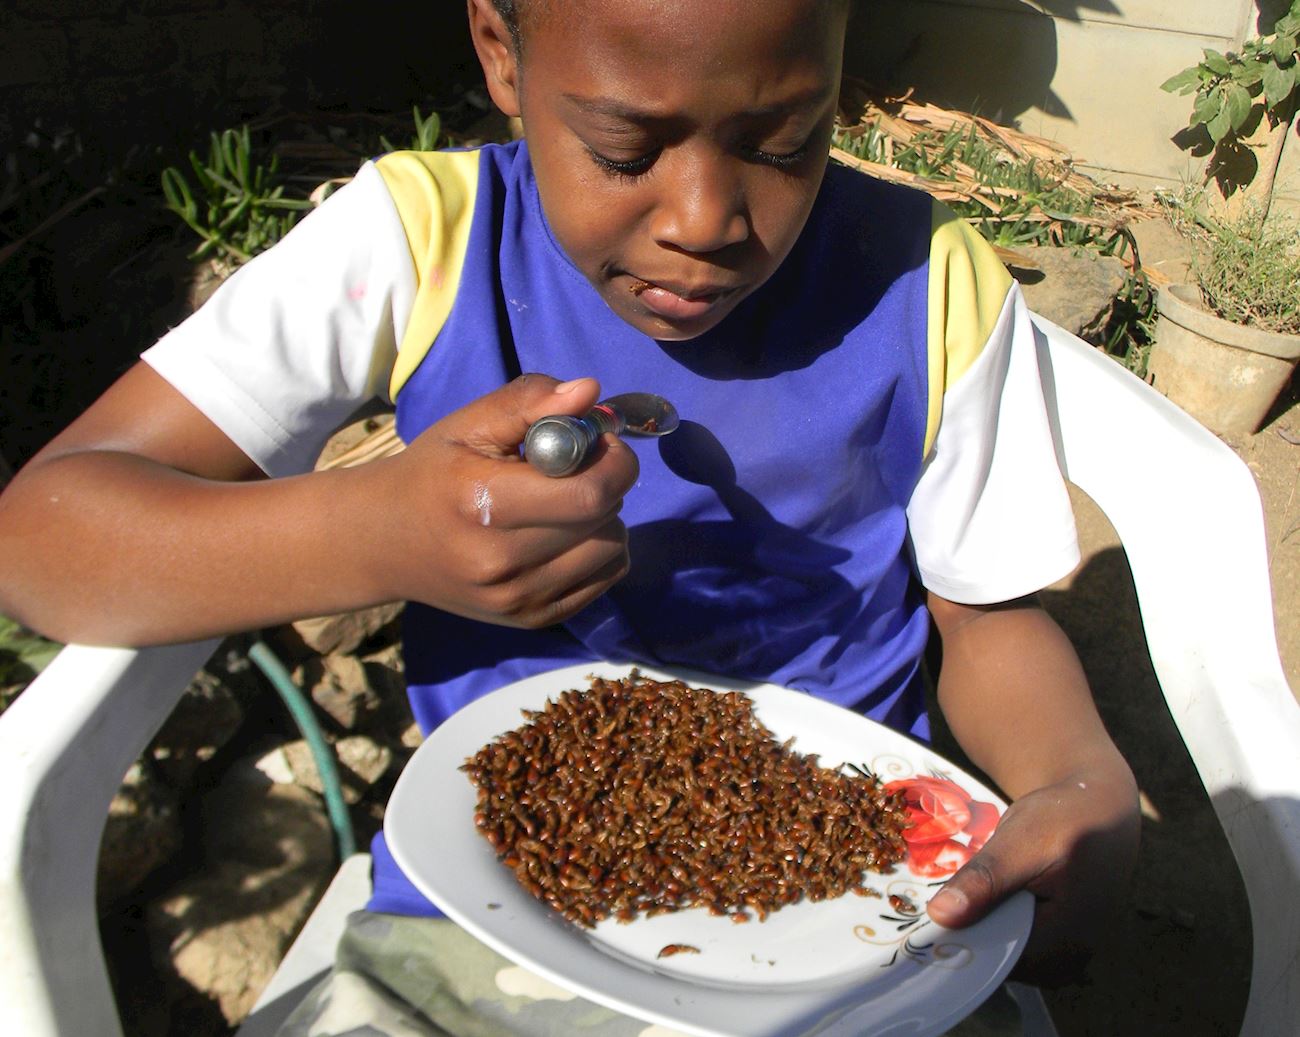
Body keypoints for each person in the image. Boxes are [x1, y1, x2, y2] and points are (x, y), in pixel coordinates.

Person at [0, 0, 1139, 1033]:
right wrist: (369, 535)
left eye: (784, 143)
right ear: (501, 53)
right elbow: (40, 538)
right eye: (622, 148)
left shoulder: (927, 285)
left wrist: (1075, 777)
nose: (702, 219)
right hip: (490, 900)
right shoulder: (421, 241)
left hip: (856, 904)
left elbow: (986, 621)